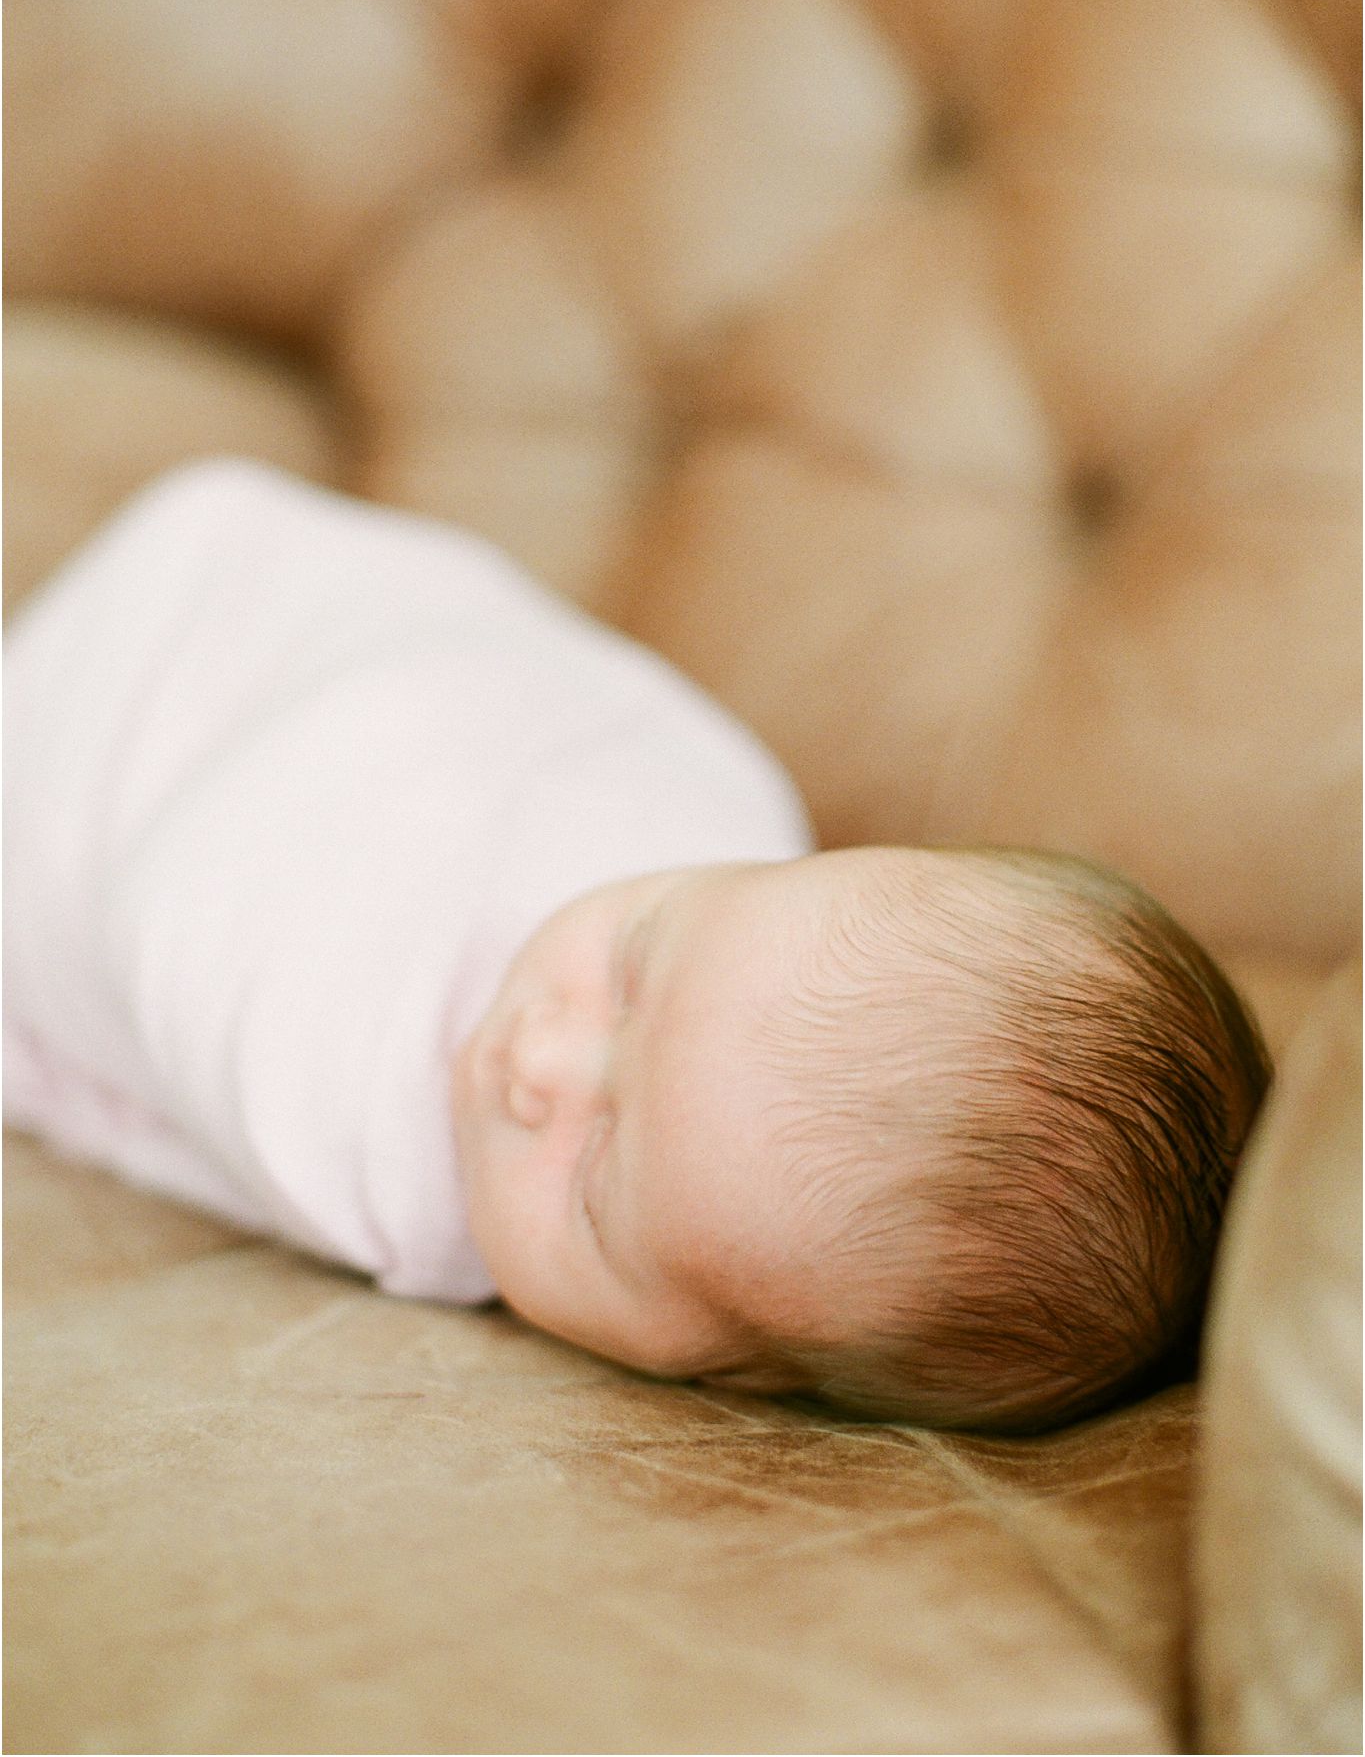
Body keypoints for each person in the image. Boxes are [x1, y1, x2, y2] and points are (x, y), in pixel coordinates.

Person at [3, 460, 1271, 1434]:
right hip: (249, 599)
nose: (537, 1059)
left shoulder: (366, 1160)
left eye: (598, 1179)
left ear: (718, 1373)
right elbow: (497, 675)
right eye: (633, 967)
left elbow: (130, 1072)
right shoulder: (703, 803)